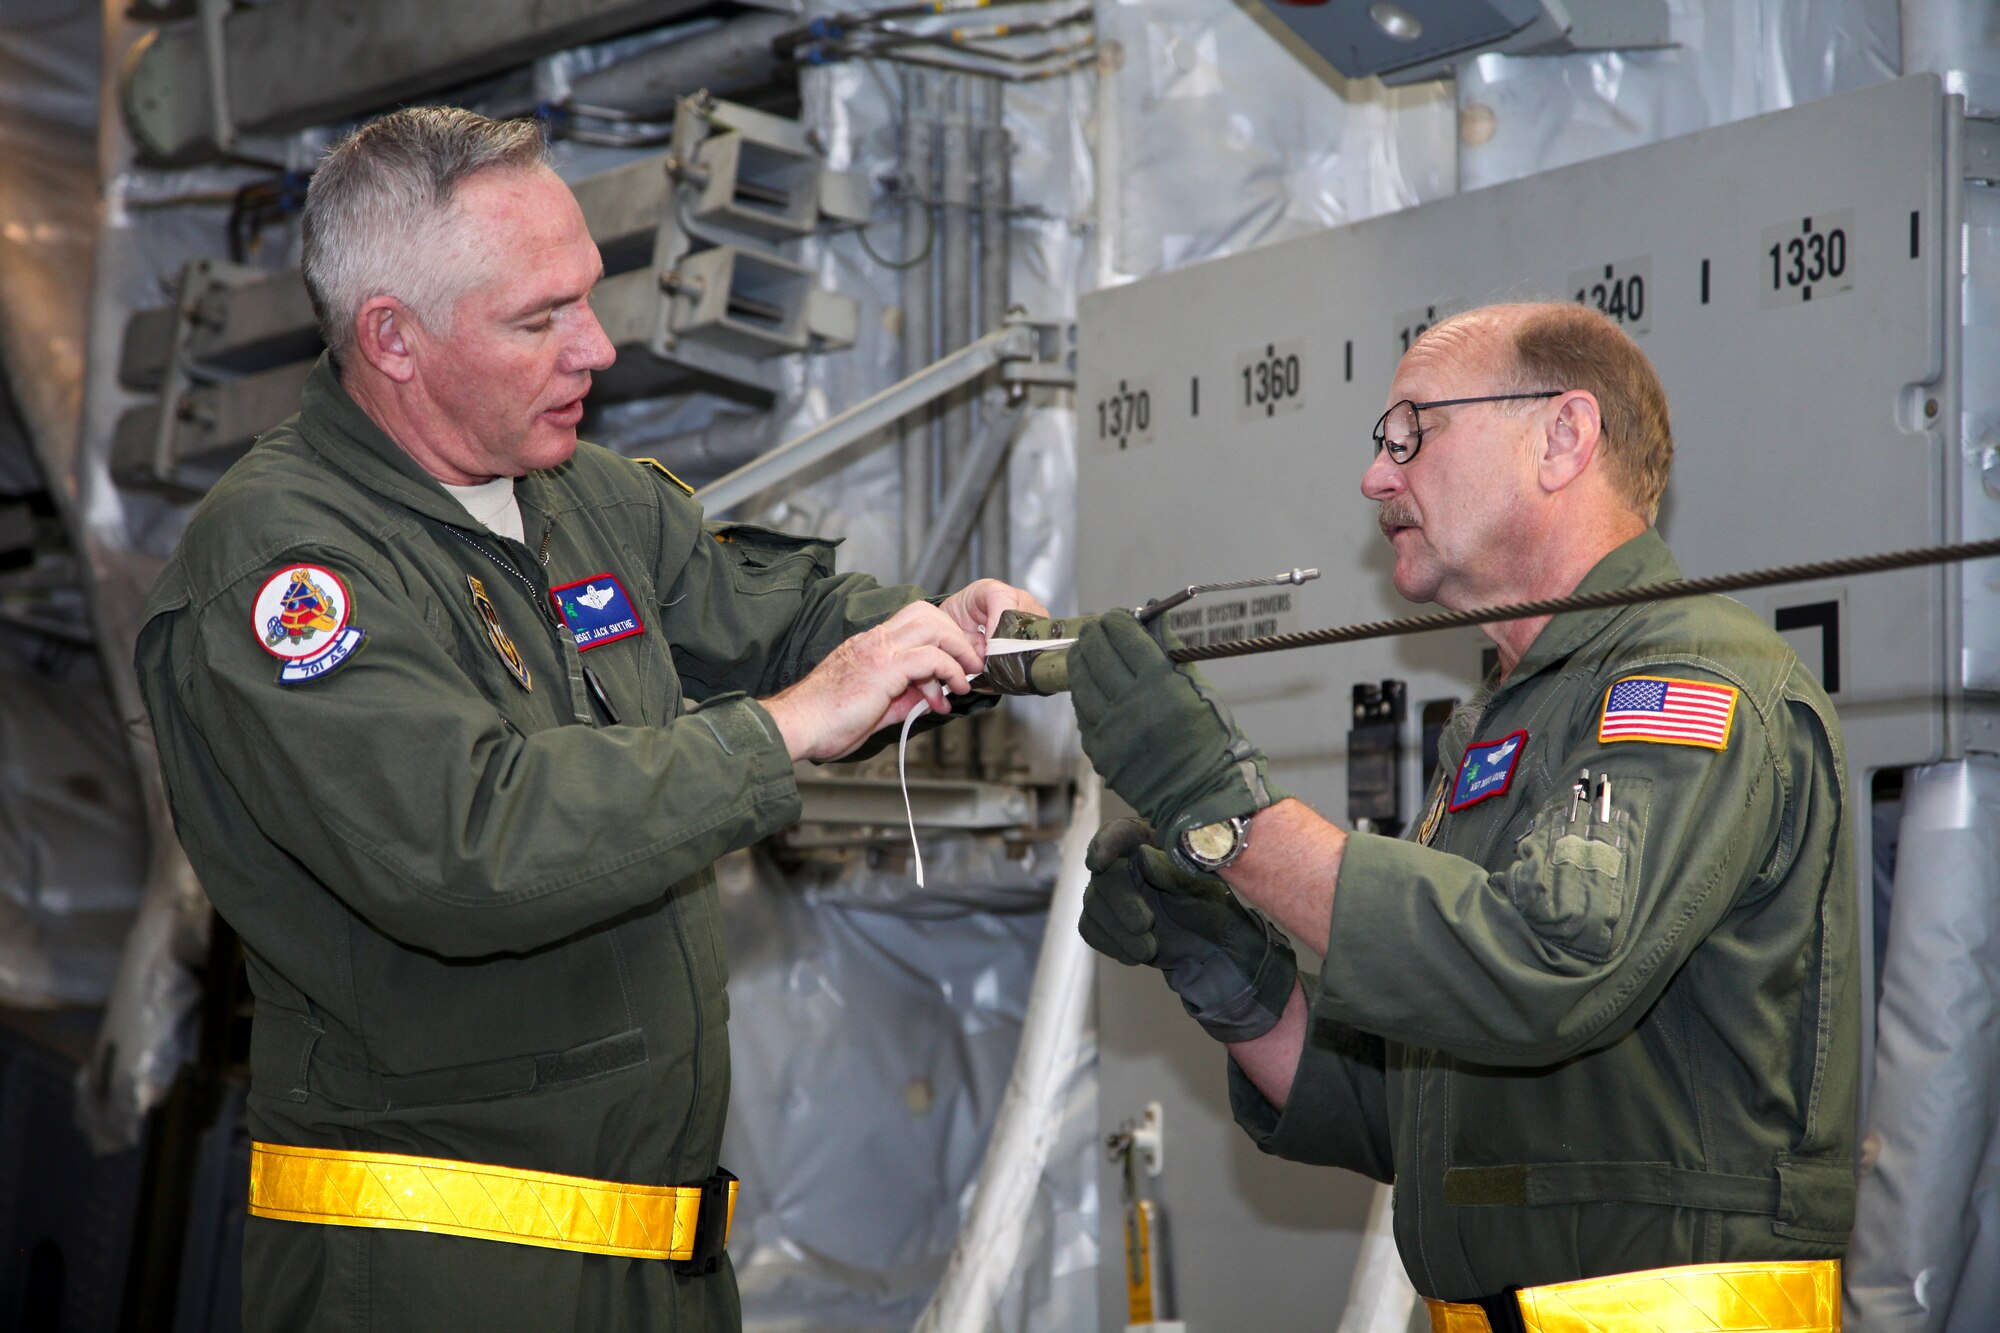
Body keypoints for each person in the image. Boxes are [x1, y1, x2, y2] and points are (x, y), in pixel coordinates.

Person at [133, 107, 1045, 1332]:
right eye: (538, 319)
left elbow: (780, 614)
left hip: (651, 1259)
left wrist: (944, 634)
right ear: (392, 339)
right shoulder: (289, 568)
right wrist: (778, 732)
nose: (598, 350)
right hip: (437, 1267)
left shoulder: (581, 502)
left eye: (588, 298)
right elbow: (468, 847)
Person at [1068, 303, 1856, 1331]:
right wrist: (1229, 971)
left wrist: (1220, 811)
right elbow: (1418, 1116)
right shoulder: (1506, 720)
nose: (1375, 478)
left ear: (1562, 437)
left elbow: (1541, 964)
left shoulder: (1688, 680)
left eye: (1413, 434)